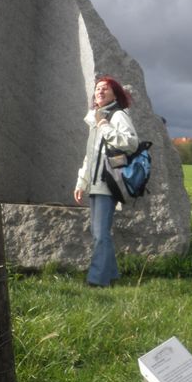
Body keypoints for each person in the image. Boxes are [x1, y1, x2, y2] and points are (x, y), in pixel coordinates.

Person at [73, 76, 138, 287]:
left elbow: (131, 143)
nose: (100, 91)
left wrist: (105, 127)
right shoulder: (96, 118)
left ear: (114, 94)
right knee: (98, 233)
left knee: (100, 234)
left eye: (105, 89)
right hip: (95, 183)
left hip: (109, 182)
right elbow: (90, 156)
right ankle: (111, 275)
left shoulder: (117, 115)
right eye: (98, 88)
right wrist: (81, 183)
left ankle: (97, 280)